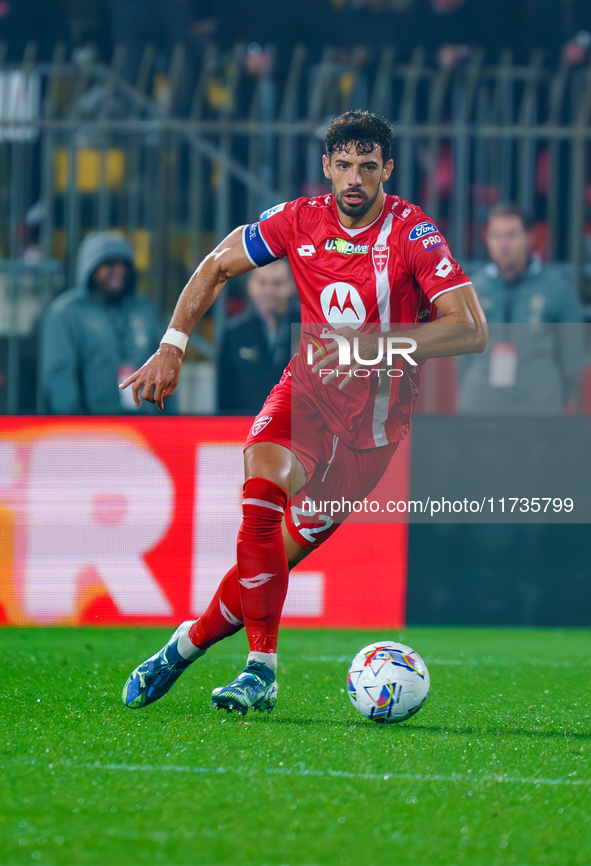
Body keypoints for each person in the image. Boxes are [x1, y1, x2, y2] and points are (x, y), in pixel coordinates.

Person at [120, 110, 487, 716]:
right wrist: (172, 346)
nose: (354, 178)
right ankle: (259, 672)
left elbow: (470, 329)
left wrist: (381, 343)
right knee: (259, 500)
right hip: (307, 396)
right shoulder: (298, 220)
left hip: (373, 434)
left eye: (368, 167)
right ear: (327, 167)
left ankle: (182, 647)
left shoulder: (413, 235)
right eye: (344, 165)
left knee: (265, 566)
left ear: (387, 171)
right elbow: (216, 265)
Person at [458, 203, 584, 415]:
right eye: (496, 236)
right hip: (480, 405)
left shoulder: (556, 288)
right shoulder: (473, 290)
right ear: (487, 240)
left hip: (539, 406)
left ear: (529, 238)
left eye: (511, 235)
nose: (503, 244)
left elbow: (572, 354)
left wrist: (558, 395)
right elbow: (460, 355)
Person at [40, 231, 167, 415]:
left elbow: (164, 366)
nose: (118, 270)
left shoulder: (143, 310)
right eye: (109, 263)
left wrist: (169, 420)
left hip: (146, 428)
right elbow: (59, 377)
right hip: (92, 431)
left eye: (124, 264)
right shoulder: (66, 313)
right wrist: (71, 425)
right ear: (90, 266)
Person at [217, 260, 298, 414]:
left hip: (296, 430)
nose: (269, 291)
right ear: (249, 284)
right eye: (262, 283)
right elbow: (224, 398)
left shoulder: (309, 330)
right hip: (244, 431)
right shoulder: (234, 334)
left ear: (292, 285)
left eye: (278, 283)